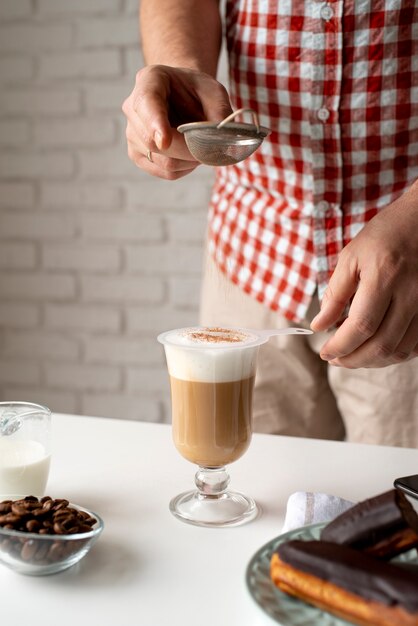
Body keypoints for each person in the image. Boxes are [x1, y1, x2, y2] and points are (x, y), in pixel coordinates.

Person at [122, 0, 418, 447]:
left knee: (399, 505)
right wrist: (182, 71)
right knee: (249, 483)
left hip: (407, 270)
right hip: (253, 253)